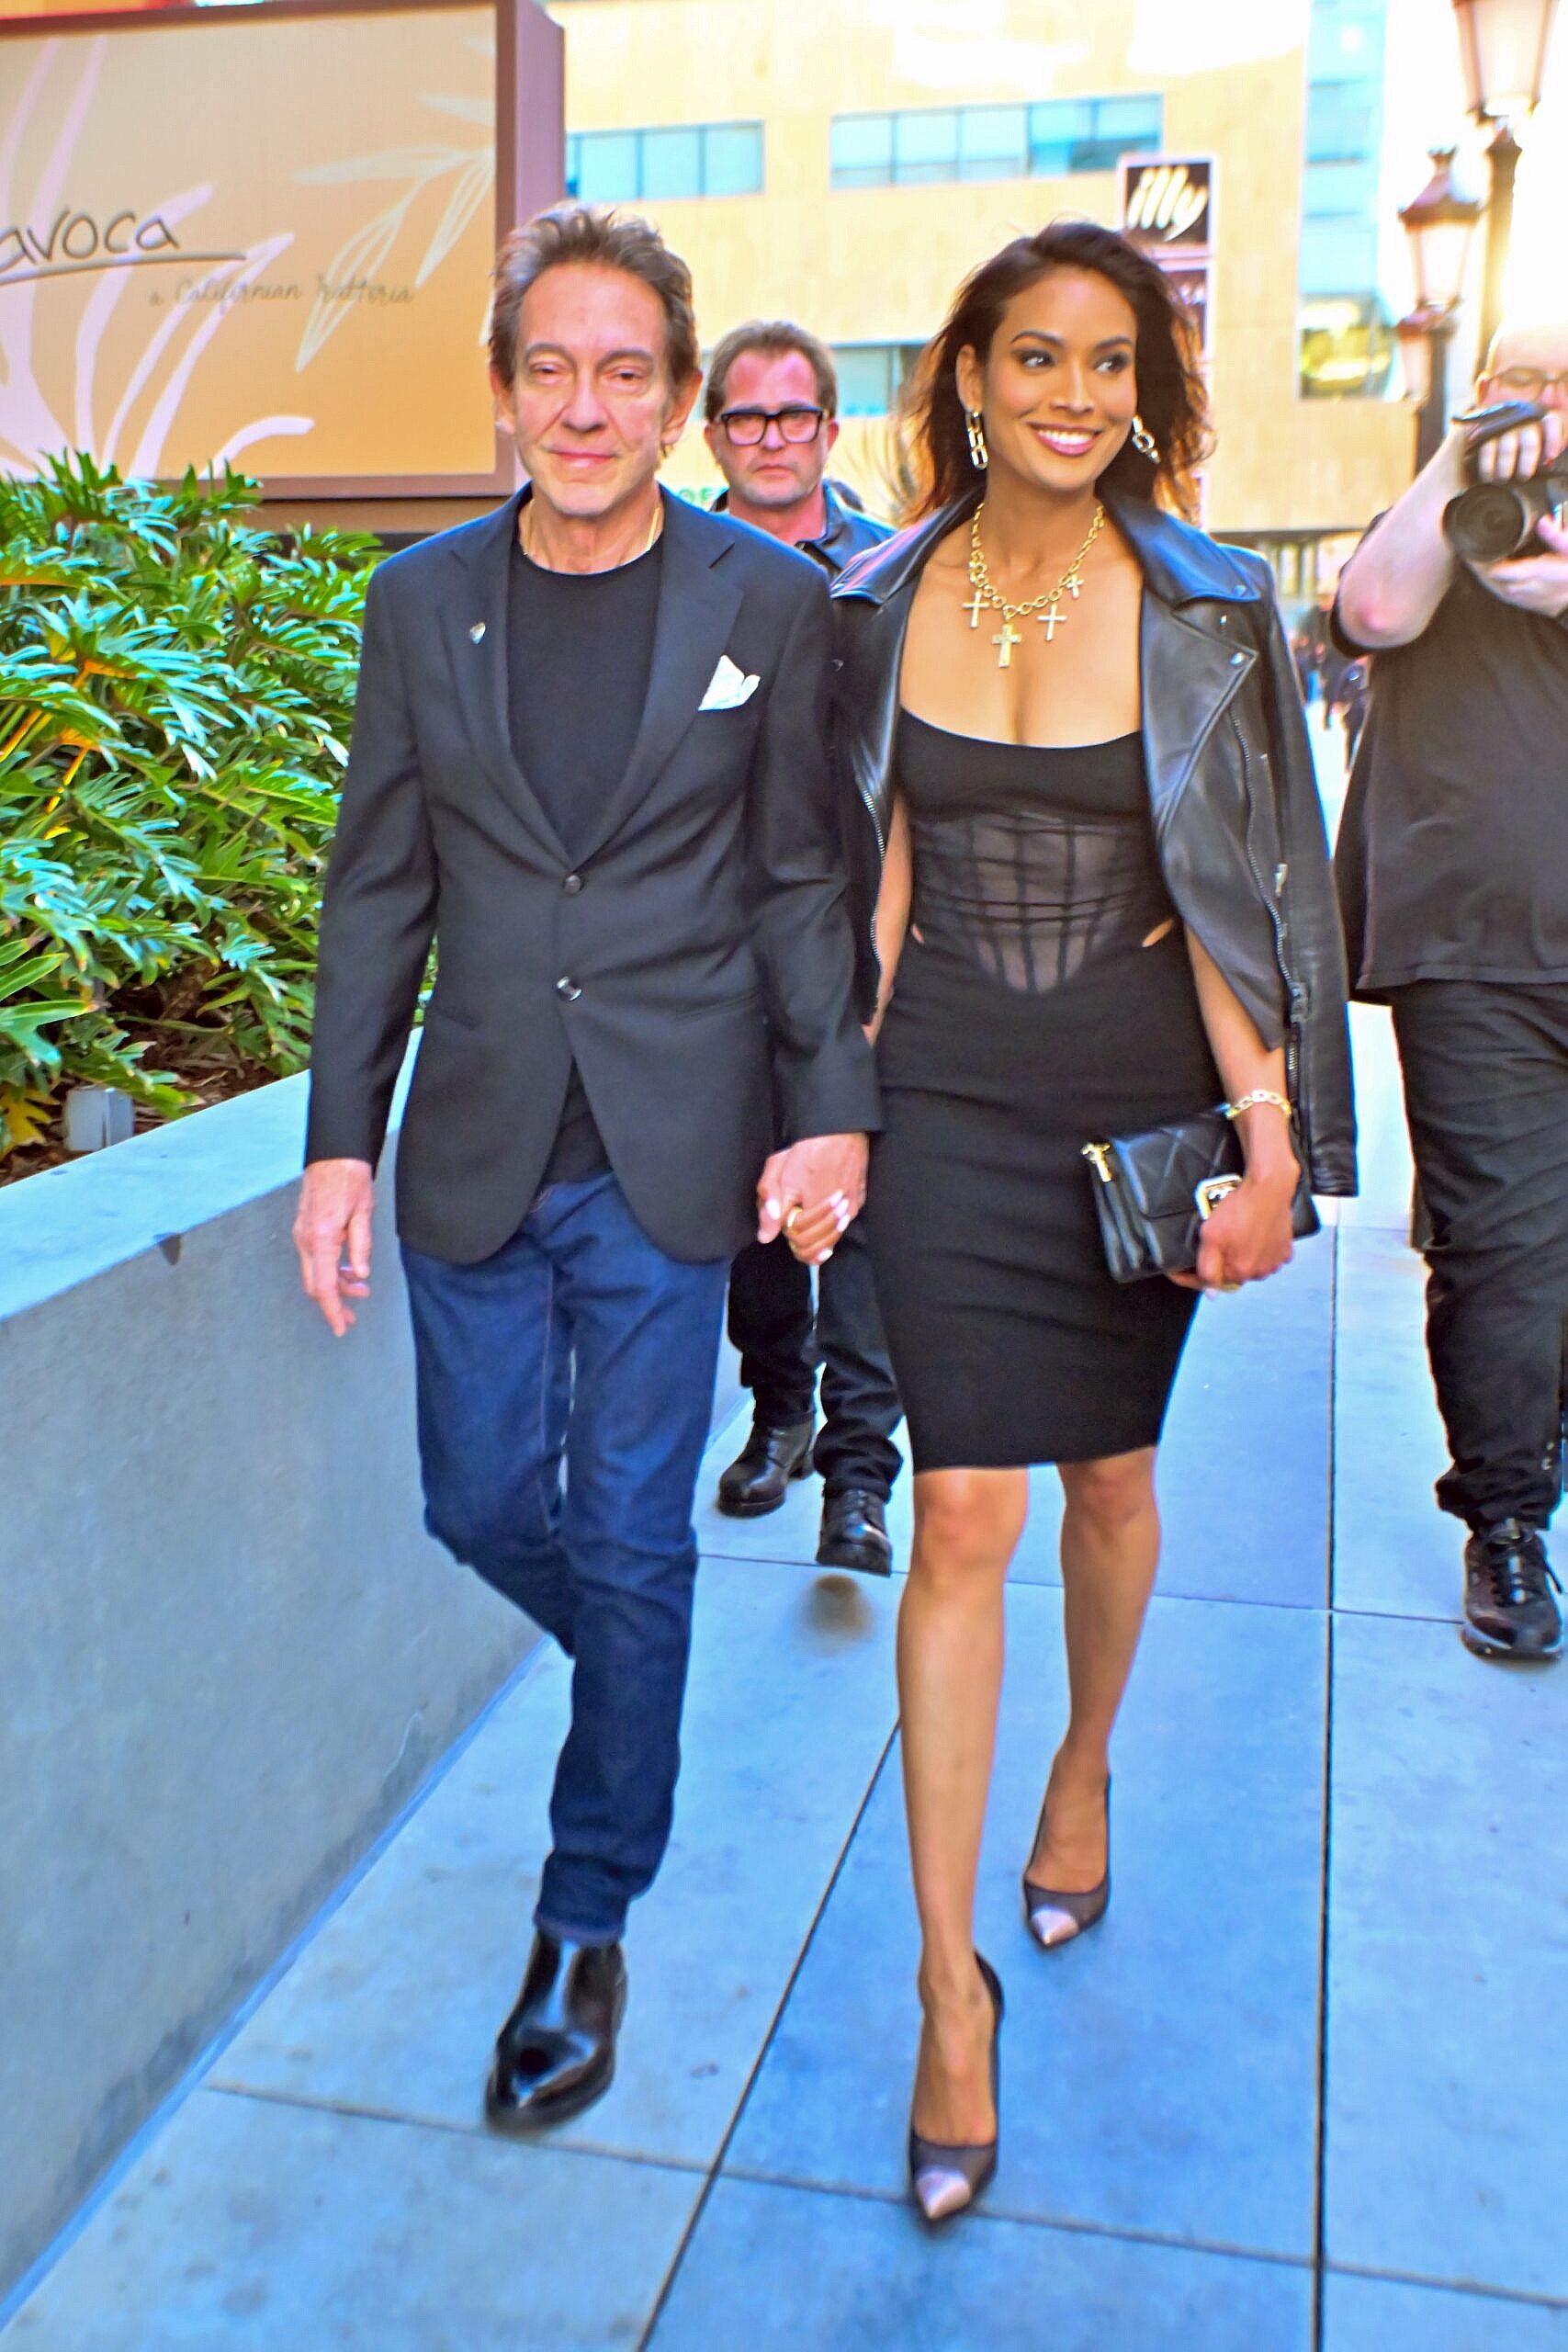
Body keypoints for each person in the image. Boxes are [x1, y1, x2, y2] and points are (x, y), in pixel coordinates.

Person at [292, 203, 877, 2132]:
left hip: (665, 1147)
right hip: (471, 1137)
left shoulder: (765, 605)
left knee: (628, 1528)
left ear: (680, 399)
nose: (585, 402)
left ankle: (580, 1909)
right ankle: (639, 1646)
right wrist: (334, 1143)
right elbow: (379, 884)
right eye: (549, 365)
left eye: (626, 369)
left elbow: (802, 879)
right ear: (502, 394)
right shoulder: (418, 601)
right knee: (478, 1502)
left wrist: (827, 1105)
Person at [827, 220, 1355, 2223]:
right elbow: (865, 872)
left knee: (1107, 1478)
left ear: (1143, 388)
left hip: (1135, 1093)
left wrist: (1269, 1132)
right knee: (964, 1505)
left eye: (1106, 361)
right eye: (1030, 356)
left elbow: (1238, 890)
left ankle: (1083, 1761)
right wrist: (832, 1107)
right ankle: (941, 1986)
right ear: (965, 375)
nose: (1068, 392)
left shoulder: (1206, 607)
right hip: (943, 1083)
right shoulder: (874, 598)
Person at [1334, 319, 1568, 1663]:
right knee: (1501, 1250)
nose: (1541, 405)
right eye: (1516, 380)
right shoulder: (1438, 514)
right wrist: (1457, 459)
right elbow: (1372, 610)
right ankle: (1507, 1520)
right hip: (1473, 947)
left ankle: (1540, 1447)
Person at [700, 320, 901, 1574]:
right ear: (711, 431)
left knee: (866, 1204)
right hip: (719, 943)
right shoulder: (673, 566)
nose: (771, 437)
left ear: (830, 430)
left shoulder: (894, 572)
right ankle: (778, 1415)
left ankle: (860, 1478)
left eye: (794, 416)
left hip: (869, 929)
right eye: (746, 417)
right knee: (754, 1209)